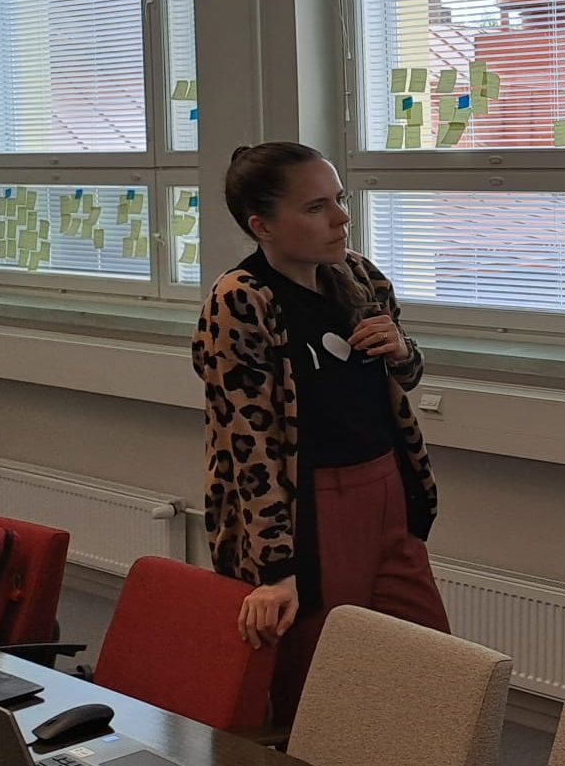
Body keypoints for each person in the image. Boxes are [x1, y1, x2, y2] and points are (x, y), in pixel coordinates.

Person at [192, 142, 450, 723]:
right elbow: (247, 446)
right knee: (319, 687)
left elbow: (404, 377)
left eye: (340, 199)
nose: (341, 218)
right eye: (316, 208)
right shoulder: (241, 300)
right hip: (312, 505)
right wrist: (277, 568)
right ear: (263, 226)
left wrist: (403, 349)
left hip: (388, 488)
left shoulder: (355, 274)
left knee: (431, 666)